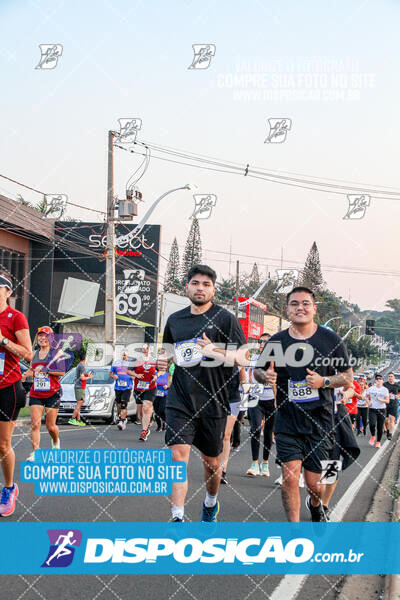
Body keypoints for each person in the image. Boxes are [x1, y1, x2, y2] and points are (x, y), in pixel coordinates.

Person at [253, 286, 353, 522]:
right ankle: (294, 533)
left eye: (305, 303)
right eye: (295, 304)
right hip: (288, 418)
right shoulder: (277, 341)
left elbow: (348, 376)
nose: (300, 308)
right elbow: (257, 371)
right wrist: (264, 376)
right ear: (287, 309)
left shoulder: (330, 339)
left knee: (314, 484)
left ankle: (316, 503)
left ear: (314, 309)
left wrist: (324, 381)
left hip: (321, 419)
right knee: (289, 477)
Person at [162, 264, 246, 522]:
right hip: (181, 399)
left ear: (214, 289)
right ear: (187, 286)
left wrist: (215, 351)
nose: (200, 288)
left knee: (211, 462)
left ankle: (211, 502)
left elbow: (243, 357)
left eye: (206, 284)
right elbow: (168, 352)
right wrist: (163, 365)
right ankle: (177, 516)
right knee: (178, 454)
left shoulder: (225, 319)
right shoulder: (175, 320)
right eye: (196, 283)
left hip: (214, 401)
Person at [0, 269, 32, 517]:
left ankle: (9, 488)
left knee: (2, 445)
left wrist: (3, 342)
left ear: (8, 291)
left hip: (7, 387)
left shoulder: (15, 317)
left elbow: (29, 353)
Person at [22, 326, 65, 461]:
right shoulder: (34, 354)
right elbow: (32, 370)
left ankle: (56, 442)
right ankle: (36, 452)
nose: (42, 338)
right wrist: (24, 375)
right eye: (40, 335)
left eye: (45, 336)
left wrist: (46, 370)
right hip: (36, 393)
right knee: (35, 424)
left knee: (50, 426)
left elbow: (61, 372)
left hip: (53, 393)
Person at [318, 382, 360, 519]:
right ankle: (314, 499)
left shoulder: (340, 365)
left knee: (332, 464)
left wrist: (346, 395)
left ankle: (323, 505)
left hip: (334, 419)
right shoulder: (306, 365)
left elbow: (351, 388)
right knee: (313, 465)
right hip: (312, 418)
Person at [246, 333, 276, 477]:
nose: (262, 344)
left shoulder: (275, 360)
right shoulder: (253, 359)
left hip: (271, 399)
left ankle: (265, 463)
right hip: (255, 398)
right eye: (261, 341)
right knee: (255, 428)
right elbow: (248, 376)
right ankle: (254, 463)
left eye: (266, 341)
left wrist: (277, 399)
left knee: (269, 433)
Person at [220, 365, 247, 484]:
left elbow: (244, 383)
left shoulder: (238, 361)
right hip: (216, 399)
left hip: (233, 399)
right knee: (216, 435)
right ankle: (213, 464)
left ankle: (222, 471)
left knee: (226, 435)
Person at [133, 343, 158, 442]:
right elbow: (128, 371)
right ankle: (146, 424)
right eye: (143, 348)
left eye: (146, 348)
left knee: (146, 407)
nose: (144, 350)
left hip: (150, 387)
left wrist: (156, 376)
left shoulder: (154, 360)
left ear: (150, 349)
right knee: (140, 414)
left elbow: (161, 370)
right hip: (138, 388)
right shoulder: (137, 360)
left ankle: (144, 431)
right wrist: (136, 375)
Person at [109, 350, 135, 431]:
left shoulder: (131, 365)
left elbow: (135, 374)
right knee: (119, 404)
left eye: (125, 355)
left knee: (124, 404)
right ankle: (123, 418)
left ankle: (122, 421)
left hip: (127, 387)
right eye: (123, 355)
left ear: (128, 356)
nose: (124, 356)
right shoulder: (116, 363)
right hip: (118, 387)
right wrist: (114, 376)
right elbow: (110, 373)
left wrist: (133, 377)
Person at [69, 352, 92, 426]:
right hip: (80, 387)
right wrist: (89, 377)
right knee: (80, 403)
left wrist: (86, 375)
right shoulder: (82, 366)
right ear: (85, 358)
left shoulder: (79, 365)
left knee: (79, 403)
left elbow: (81, 376)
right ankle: (72, 418)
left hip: (78, 387)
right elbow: (82, 378)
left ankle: (78, 420)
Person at [367, 374, 390, 448]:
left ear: (382, 381)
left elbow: (387, 401)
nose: (378, 380)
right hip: (372, 409)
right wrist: (368, 402)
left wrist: (381, 400)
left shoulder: (385, 390)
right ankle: (373, 435)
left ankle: (378, 441)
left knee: (380, 427)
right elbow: (366, 396)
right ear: (375, 381)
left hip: (382, 409)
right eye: (377, 379)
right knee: (372, 424)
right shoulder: (371, 388)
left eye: (380, 379)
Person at [154, 356, 171, 432]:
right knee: (156, 411)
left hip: (165, 394)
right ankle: (158, 425)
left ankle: (164, 423)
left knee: (162, 410)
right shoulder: (155, 373)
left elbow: (172, 383)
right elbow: (151, 381)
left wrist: (167, 386)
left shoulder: (168, 374)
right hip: (155, 394)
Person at [384, 372, 400, 440]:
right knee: (386, 420)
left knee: (392, 420)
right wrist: (387, 395)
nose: (390, 378)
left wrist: (397, 396)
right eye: (389, 376)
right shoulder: (385, 385)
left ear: (394, 377)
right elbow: (381, 393)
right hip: (385, 404)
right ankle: (387, 431)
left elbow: (399, 393)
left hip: (394, 404)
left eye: (391, 376)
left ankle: (390, 434)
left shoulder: (397, 386)